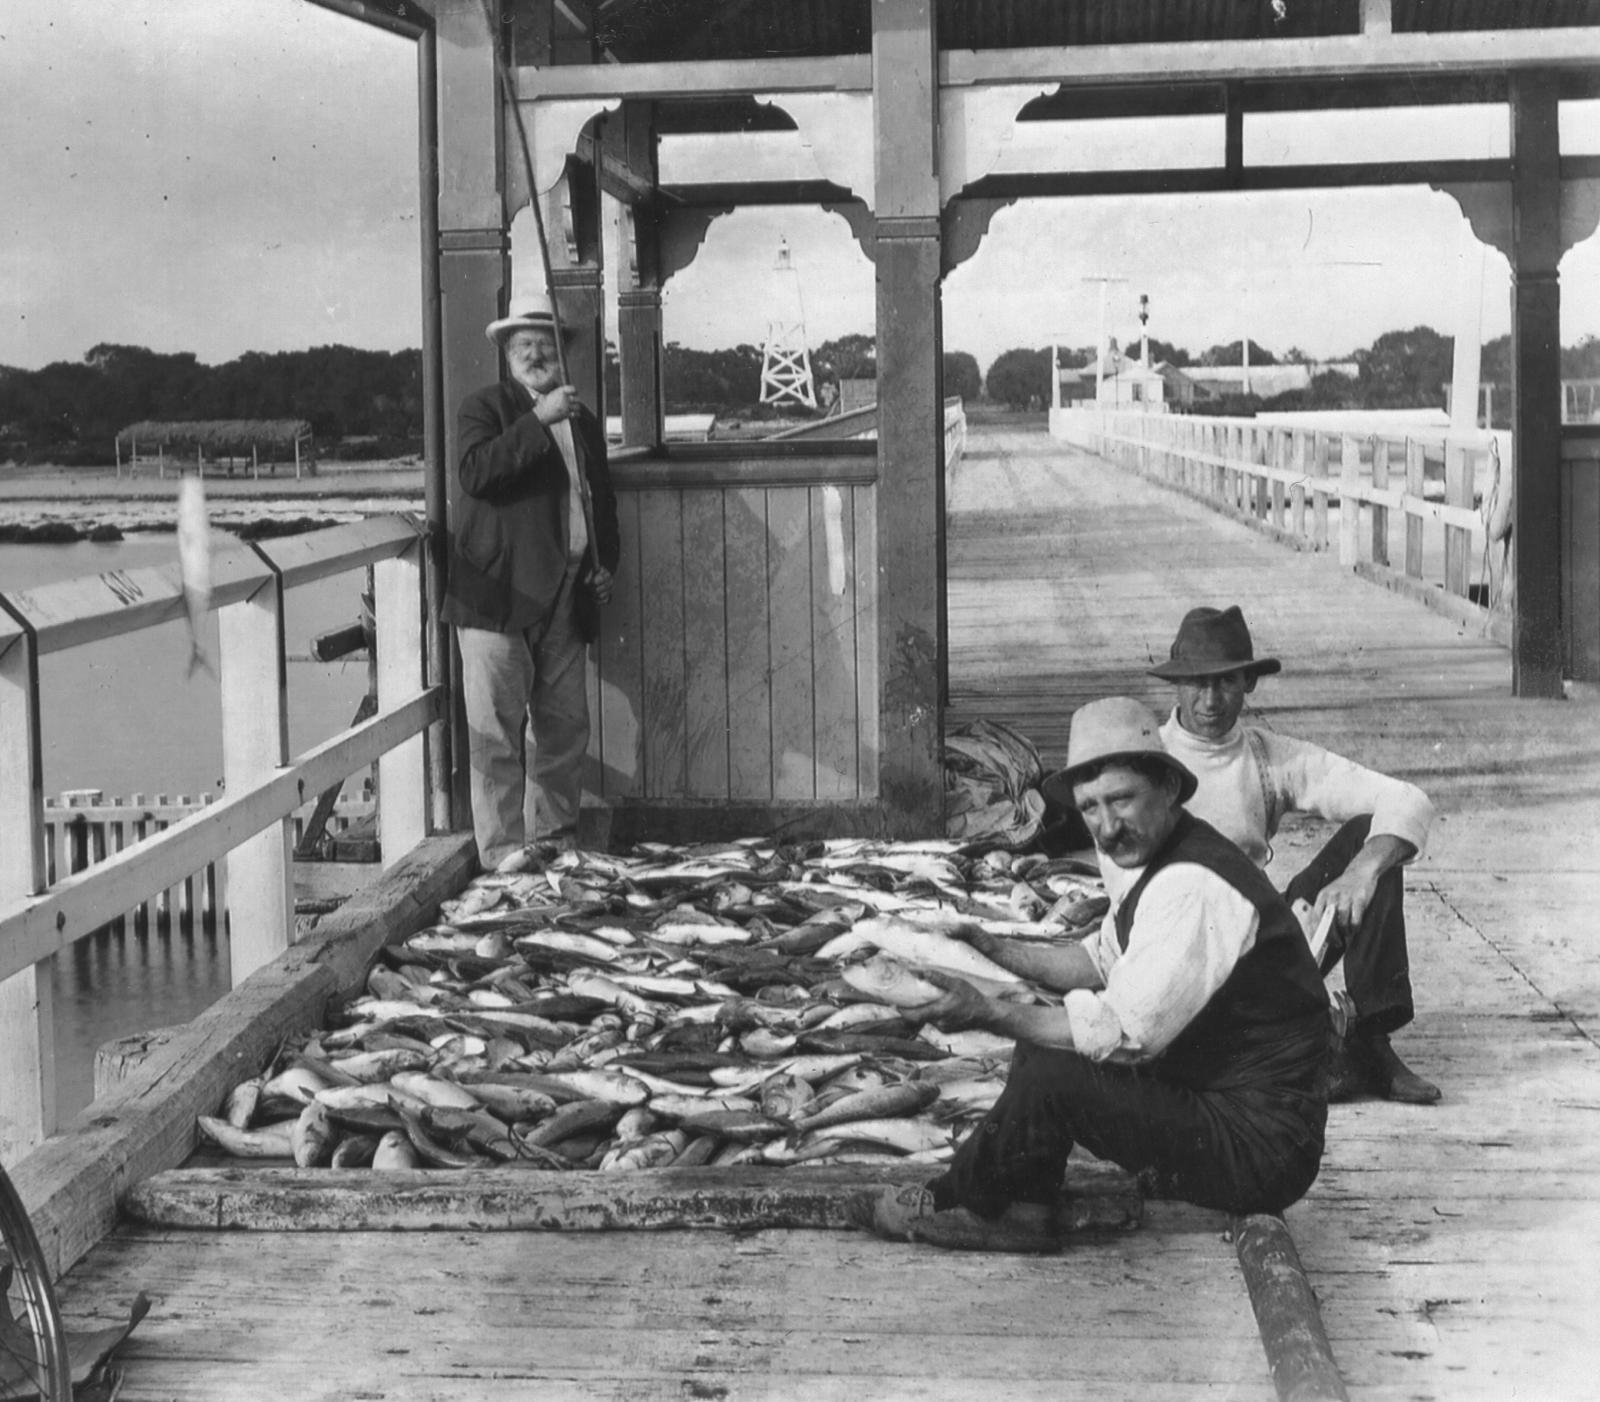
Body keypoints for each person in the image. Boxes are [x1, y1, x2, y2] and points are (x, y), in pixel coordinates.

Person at [855, 696, 1329, 1253]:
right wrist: (990, 945)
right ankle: (1021, 1204)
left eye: (1122, 800)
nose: (1106, 827)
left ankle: (961, 1203)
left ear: (1169, 789)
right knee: (1043, 1044)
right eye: (1090, 808)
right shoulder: (1157, 854)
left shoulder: (1192, 885)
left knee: (1056, 1069)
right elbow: (1097, 961)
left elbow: (1122, 1034)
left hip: (1259, 1148)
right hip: (1218, 1101)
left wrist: (985, 1011)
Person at [1148, 604, 1439, 1105]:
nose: (1211, 699)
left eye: (1227, 681)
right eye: (1198, 682)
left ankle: (1371, 1039)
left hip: (1262, 941)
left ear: (1248, 685)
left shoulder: (1267, 756)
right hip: (1177, 954)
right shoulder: (1148, 759)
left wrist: (1362, 872)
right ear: (1176, 684)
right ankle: (1305, 1047)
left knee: (1375, 835)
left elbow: (1405, 799)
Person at [442, 292, 620, 870]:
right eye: (525, 345)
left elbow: (601, 505)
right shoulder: (484, 407)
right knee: (495, 735)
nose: (537, 353)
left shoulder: (584, 420)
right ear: (506, 354)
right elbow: (476, 473)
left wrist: (603, 565)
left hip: (568, 595)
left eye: (547, 344)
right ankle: (502, 861)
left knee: (565, 729)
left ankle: (555, 845)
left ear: (564, 354)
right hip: (499, 598)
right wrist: (538, 420)